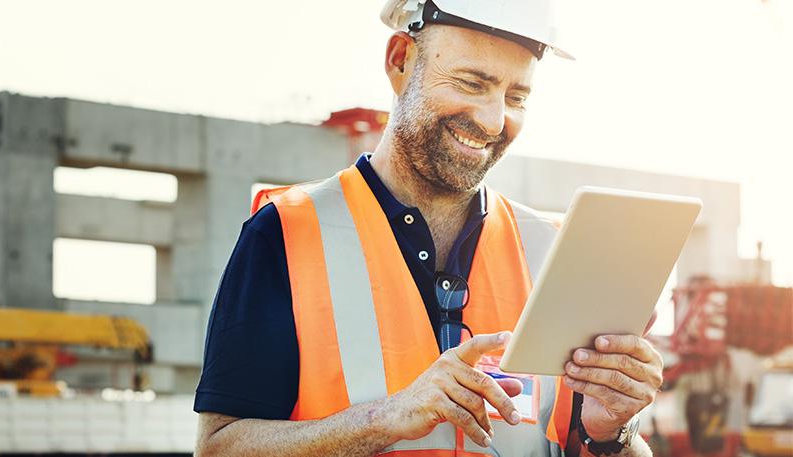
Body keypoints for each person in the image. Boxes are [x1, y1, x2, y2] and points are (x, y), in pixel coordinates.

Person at [193, 0, 664, 455]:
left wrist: (610, 435)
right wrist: (386, 418)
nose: (494, 119)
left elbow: (595, 447)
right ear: (400, 62)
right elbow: (219, 449)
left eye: (516, 96)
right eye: (471, 83)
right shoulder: (286, 232)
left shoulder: (552, 251)